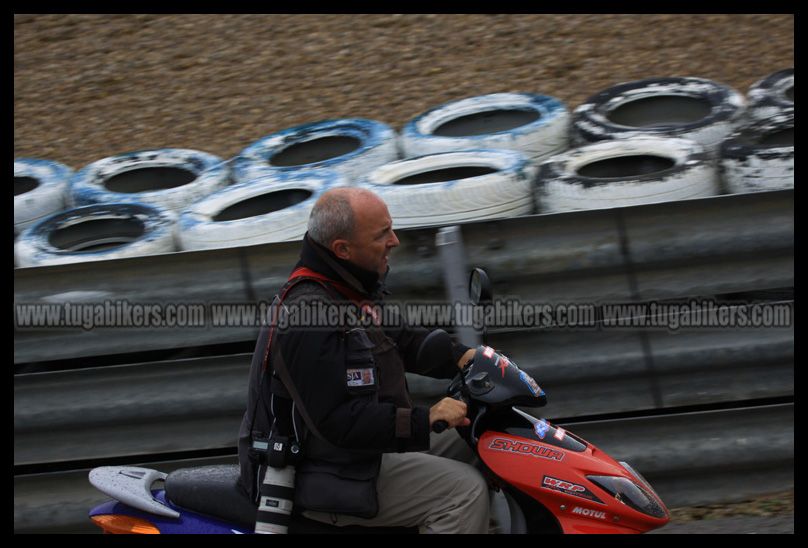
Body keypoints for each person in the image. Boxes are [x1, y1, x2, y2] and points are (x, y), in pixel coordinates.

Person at [237, 187, 490, 534]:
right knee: (462, 492)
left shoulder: (346, 291)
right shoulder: (306, 315)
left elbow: (405, 341)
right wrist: (425, 418)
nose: (395, 240)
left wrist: (468, 357)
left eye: (391, 228)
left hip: (357, 453)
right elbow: (338, 422)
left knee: (483, 436)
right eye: (382, 234)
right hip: (320, 471)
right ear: (343, 249)